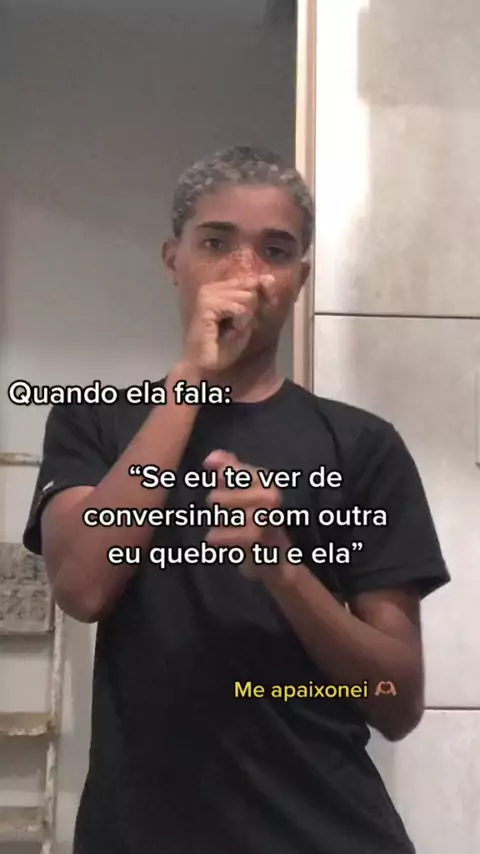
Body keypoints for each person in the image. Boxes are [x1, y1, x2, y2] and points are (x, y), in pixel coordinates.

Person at [24, 145, 450, 854]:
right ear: (173, 259)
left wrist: (285, 572)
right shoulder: (93, 421)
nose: (244, 271)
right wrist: (192, 376)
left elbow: (397, 701)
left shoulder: (363, 446)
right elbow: (83, 587)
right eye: (216, 243)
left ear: (299, 280)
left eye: (274, 251)